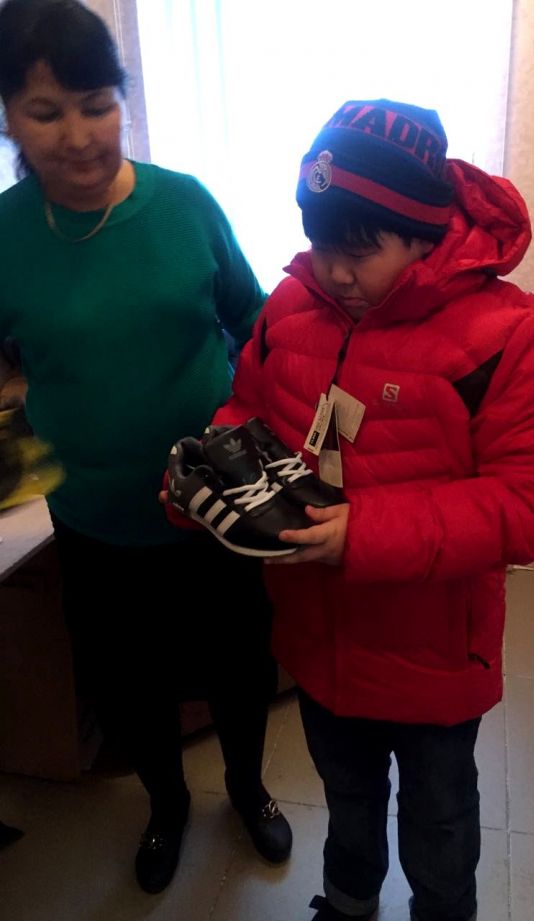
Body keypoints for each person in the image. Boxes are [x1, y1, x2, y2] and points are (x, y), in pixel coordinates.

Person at [194, 99, 534, 920]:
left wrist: (365, 532)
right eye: (321, 242)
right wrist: (211, 470)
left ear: (423, 234)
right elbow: (250, 411)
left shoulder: (511, 334)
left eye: (359, 249)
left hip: (433, 654)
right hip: (317, 639)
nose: (335, 270)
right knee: (346, 796)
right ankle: (348, 903)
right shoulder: (290, 307)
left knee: (439, 817)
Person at [0, 0, 291, 895]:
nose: (78, 136)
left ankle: (248, 787)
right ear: (8, 117)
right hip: (93, 518)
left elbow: (254, 322)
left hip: (218, 506)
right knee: (132, 683)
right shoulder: (5, 235)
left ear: (121, 99)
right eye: (45, 112)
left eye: (97, 104)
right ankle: (166, 806)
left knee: (239, 664)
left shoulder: (184, 204)